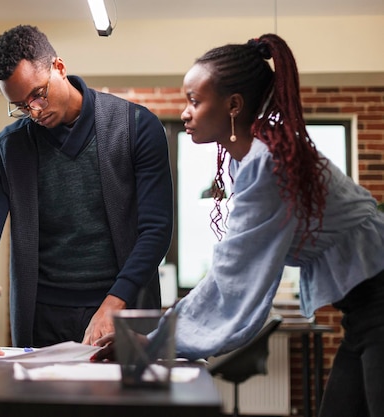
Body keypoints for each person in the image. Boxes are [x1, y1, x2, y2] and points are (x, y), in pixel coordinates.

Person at [92, 33, 384, 416]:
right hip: (362, 314)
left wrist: (155, 341)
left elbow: (232, 273)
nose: (185, 112)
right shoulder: (246, 161)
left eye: (195, 101)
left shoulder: (268, 161)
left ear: (233, 105)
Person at [0, 25, 173, 352]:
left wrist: (115, 303)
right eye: (20, 105)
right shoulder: (9, 150)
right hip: (43, 318)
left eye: (37, 94)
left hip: (124, 308)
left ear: (59, 67)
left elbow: (156, 229)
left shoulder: (137, 128)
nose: (34, 111)